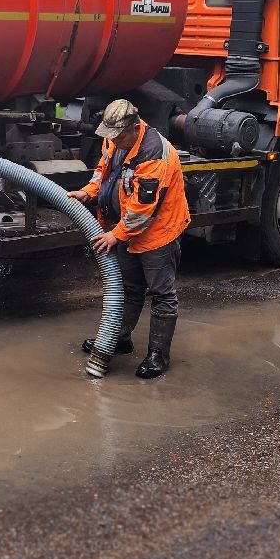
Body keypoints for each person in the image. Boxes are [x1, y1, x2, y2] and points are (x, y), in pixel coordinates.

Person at [68, 98, 190, 379]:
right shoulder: (116, 139)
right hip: (127, 228)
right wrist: (88, 192)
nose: (114, 141)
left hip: (157, 232)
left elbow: (142, 211)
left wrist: (115, 234)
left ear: (135, 127)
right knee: (128, 287)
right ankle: (119, 338)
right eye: (111, 136)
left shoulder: (154, 155)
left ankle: (158, 356)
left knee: (161, 293)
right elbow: (104, 170)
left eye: (120, 136)